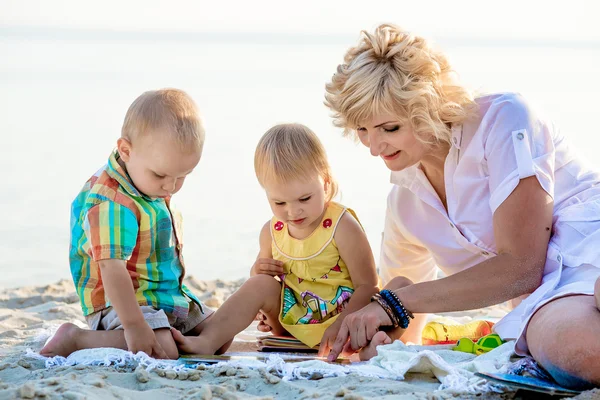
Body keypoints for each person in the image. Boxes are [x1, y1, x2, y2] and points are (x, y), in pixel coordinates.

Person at [323, 24, 600, 389]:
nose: (374, 147)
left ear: (426, 107)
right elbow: (406, 313)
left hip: (589, 243)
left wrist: (395, 302)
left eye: (389, 128)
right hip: (546, 304)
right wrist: (385, 332)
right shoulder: (405, 203)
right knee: (578, 353)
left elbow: (521, 267)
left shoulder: (504, 119)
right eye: (362, 130)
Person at [40, 88, 222, 360]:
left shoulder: (147, 179)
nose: (171, 187)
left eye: (182, 176)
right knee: (164, 350)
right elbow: (110, 267)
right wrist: (134, 325)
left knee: (220, 335)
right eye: (161, 174)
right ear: (126, 150)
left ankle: (166, 329)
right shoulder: (111, 202)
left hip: (163, 297)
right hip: (121, 304)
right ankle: (77, 339)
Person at [171, 123, 379, 356]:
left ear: (326, 183)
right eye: (279, 202)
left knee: (381, 318)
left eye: (305, 198)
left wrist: (340, 325)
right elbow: (267, 284)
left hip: (343, 321)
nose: (293, 212)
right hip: (291, 320)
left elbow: (368, 285)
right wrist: (258, 271)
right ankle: (209, 340)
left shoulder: (341, 226)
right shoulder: (272, 231)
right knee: (258, 284)